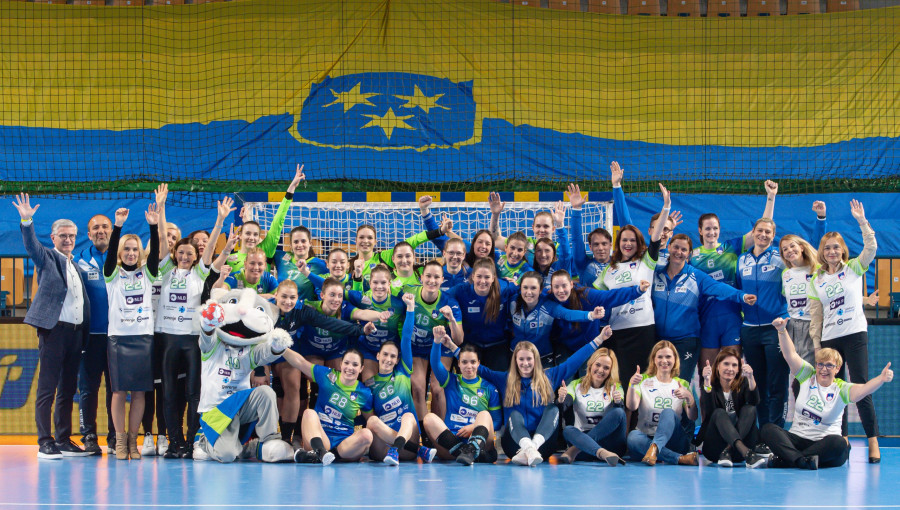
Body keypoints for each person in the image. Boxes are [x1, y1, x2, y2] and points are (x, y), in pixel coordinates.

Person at [13, 194, 92, 459]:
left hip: (75, 335)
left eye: (72, 236)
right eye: (63, 236)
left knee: (68, 389)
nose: (68, 240)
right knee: (47, 388)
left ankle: (62, 439)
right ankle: (44, 442)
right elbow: (31, 245)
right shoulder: (47, 257)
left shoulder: (76, 266)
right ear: (54, 237)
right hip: (54, 331)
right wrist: (27, 220)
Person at [759, 317, 893, 469]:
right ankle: (801, 460)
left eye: (829, 365)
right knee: (768, 429)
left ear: (837, 368)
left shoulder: (841, 388)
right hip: (797, 439)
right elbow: (790, 355)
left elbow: (863, 390)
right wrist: (782, 331)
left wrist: (881, 379)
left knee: (840, 443)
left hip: (824, 444)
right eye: (820, 364)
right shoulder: (807, 375)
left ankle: (789, 459)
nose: (823, 369)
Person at [154, 187, 226, 459]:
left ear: (196, 257)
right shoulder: (166, 270)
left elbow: (211, 246)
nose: (185, 256)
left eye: (189, 254)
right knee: (170, 394)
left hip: (192, 342)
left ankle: (192, 442)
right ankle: (175, 443)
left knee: (193, 394)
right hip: (169, 340)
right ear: (175, 255)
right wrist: (160, 208)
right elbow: (162, 237)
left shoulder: (200, 273)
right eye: (180, 253)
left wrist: (219, 221)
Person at [808, 199, 882, 462]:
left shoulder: (853, 269)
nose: (831, 251)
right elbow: (816, 318)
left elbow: (871, 247)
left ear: (842, 250)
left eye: (836, 247)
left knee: (860, 386)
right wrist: (818, 346)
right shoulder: (816, 280)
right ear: (822, 252)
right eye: (827, 248)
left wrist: (862, 221)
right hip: (830, 339)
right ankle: (843, 441)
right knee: (834, 391)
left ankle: (873, 443)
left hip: (855, 334)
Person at [478, 329, 612, 466]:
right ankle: (528, 448)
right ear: (516, 361)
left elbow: (574, 361)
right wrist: (455, 349)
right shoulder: (504, 379)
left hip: (543, 447)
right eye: (521, 359)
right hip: (514, 446)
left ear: (535, 360)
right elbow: (474, 367)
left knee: (553, 408)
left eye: (529, 359)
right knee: (514, 415)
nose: (525, 363)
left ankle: (532, 448)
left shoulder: (549, 377)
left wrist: (599, 339)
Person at [690, 180, 778, 372]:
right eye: (707, 228)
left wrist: (770, 198)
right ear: (700, 230)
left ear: (719, 229)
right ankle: (710, 403)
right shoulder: (691, 256)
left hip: (732, 318)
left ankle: (733, 403)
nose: (711, 232)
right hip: (706, 320)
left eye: (715, 228)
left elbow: (761, 229)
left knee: (732, 372)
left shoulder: (731, 247)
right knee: (707, 374)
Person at [592, 184, 670, 393]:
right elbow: (594, 295)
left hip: (644, 330)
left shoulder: (647, 261)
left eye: (632, 240)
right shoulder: (609, 270)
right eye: (624, 240)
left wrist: (666, 209)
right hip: (618, 332)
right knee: (622, 383)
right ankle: (623, 425)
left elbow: (656, 238)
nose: (628, 243)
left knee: (643, 382)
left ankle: (641, 425)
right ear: (619, 243)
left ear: (638, 243)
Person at [651, 234, 756, 382]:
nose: (678, 252)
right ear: (669, 248)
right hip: (659, 338)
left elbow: (719, 288)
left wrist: (741, 296)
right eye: (675, 247)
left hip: (686, 339)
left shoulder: (695, 276)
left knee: (681, 384)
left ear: (689, 254)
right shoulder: (656, 273)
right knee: (659, 382)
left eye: (683, 249)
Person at [104, 205, 161, 460]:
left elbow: (156, 252)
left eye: (134, 249)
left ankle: (132, 441)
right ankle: (118, 440)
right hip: (118, 338)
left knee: (139, 392)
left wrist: (153, 225)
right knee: (118, 392)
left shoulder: (147, 273)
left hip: (143, 338)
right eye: (126, 249)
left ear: (140, 253)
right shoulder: (112, 274)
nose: (130, 253)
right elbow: (110, 257)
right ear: (120, 252)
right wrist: (117, 226)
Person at [365, 293, 438, 465]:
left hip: (407, 443)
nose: (388, 359)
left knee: (409, 417)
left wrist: (411, 308)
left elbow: (405, 338)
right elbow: (370, 421)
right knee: (373, 420)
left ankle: (396, 449)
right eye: (385, 355)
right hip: (382, 447)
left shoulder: (403, 372)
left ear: (398, 360)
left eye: (393, 356)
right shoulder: (369, 384)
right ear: (377, 355)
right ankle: (416, 449)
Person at [736, 217, 789, 428]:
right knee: (758, 384)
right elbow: (739, 289)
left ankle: (777, 431)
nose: (763, 235)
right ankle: (763, 431)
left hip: (775, 328)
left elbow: (808, 258)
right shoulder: (741, 259)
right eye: (760, 231)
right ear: (753, 232)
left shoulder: (781, 258)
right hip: (749, 329)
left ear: (773, 235)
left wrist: (820, 220)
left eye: (768, 232)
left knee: (778, 384)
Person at [280, 348, 375, 465]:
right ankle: (321, 452)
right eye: (346, 363)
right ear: (341, 364)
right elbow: (300, 362)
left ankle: (326, 456)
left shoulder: (364, 393)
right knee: (309, 413)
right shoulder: (327, 375)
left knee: (367, 434)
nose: (350, 368)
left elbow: (369, 419)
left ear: (361, 369)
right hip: (320, 437)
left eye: (355, 365)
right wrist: (281, 347)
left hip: (344, 445)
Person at [423, 335, 502, 466]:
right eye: (464, 362)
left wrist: (473, 427)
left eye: (472, 362)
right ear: (458, 363)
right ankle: (466, 452)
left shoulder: (489, 388)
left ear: (478, 363)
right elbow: (436, 364)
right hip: (451, 444)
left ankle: (472, 449)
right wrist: (436, 342)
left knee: (484, 414)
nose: (469, 366)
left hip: (479, 442)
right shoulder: (451, 381)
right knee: (429, 418)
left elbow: (497, 422)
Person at [75, 212, 114, 455]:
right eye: (96, 228)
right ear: (89, 234)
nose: (101, 231)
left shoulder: (124, 258)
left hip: (117, 336)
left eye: (105, 227)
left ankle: (114, 436)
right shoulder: (78, 261)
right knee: (88, 388)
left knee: (116, 389)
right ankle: (89, 435)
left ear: (112, 231)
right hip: (89, 337)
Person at [626, 340, 699, 466]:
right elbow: (632, 406)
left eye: (668, 357)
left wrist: (689, 398)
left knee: (668, 412)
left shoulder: (682, 384)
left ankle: (655, 448)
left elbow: (693, 416)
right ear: (653, 359)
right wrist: (632, 385)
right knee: (632, 437)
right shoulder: (642, 380)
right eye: (660, 357)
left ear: (675, 359)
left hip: (674, 441)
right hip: (646, 437)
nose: (664, 361)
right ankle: (679, 458)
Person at [510, 272, 605, 366]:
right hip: (517, 354)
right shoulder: (512, 302)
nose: (529, 292)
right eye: (525, 287)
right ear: (520, 288)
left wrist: (591, 315)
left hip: (542, 356)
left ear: (540, 290)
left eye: (533, 288)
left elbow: (568, 314)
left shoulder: (548, 306)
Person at [227, 164, 305, 274]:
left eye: (255, 234)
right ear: (240, 235)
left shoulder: (266, 249)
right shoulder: (230, 259)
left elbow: (278, 220)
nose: (251, 238)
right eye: (248, 233)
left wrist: (291, 188)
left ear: (259, 237)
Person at [694, 347, 763, 467]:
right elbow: (710, 412)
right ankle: (743, 452)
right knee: (719, 413)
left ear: (738, 369)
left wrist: (751, 378)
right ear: (718, 366)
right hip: (716, 449)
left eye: (734, 365)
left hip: (738, 452)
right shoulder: (710, 385)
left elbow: (754, 401)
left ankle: (730, 449)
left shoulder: (743, 383)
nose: (730, 369)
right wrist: (706, 381)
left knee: (749, 409)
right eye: (726, 364)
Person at [558, 346, 627, 466]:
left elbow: (619, 413)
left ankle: (573, 450)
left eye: (606, 368)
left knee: (619, 412)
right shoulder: (576, 385)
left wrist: (617, 402)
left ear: (611, 371)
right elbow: (564, 405)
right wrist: (561, 399)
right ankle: (601, 453)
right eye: (598, 365)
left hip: (611, 445)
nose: (601, 370)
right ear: (591, 364)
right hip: (585, 446)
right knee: (568, 430)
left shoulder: (616, 387)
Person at [445, 258, 517, 371]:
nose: (482, 281)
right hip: (471, 345)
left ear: (493, 278)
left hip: (498, 345)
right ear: (473, 276)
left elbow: (527, 291)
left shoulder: (504, 288)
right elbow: (441, 295)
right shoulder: (462, 290)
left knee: (499, 382)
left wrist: (550, 294)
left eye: (487, 277)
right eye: (479, 276)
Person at [779, 233, 819, 365]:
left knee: (813, 365)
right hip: (793, 324)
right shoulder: (786, 274)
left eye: (792, 246)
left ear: (801, 247)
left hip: (812, 323)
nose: (789, 250)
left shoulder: (817, 269)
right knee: (796, 367)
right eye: (785, 249)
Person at [566, 183, 612, 285]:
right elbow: (576, 240)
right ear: (590, 247)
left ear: (610, 245)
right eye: (596, 244)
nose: (600, 248)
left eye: (604, 244)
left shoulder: (619, 263)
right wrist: (576, 209)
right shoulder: (583, 264)